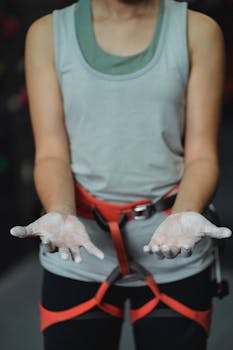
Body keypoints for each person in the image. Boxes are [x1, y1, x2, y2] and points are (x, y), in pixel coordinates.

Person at [10, 0, 232, 349]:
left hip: (175, 249)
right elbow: (51, 154)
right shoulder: (48, 34)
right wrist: (60, 212)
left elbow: (202, 155)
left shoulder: (197, 31)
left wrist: (185, 214)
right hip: (79, 249)